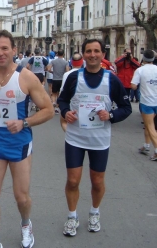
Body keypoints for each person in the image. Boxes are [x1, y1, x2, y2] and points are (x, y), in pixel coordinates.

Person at [0, 30, 54, 248]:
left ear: (14, 50)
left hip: (19, 145)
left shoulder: (26, 77)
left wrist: (24, 122)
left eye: (5, 48)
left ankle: (26, 224)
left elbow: (48, 110)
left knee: (21, 197)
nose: (0, 53)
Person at [57, 39, 131, 237]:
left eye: (96, 51)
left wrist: (111, 116)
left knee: (97, 182)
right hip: (75, 138)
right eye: (88, 51)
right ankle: (72, 216)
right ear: (83, 54)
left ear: (102, 55)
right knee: (73, 181)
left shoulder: (111, 79)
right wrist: (66, 112)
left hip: (100, 139)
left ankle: (94, 213)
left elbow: (126, 108)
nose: (92, 54)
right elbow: (62, 100)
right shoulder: (74, 77)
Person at [131, 49, 157, 160]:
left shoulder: (140, 70)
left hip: (147, 102)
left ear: (144, 58)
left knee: (151, 127)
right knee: (148, 125)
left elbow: (133, 86)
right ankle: (146, 146)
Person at [59, 52, 84, 132]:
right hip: (81, 102)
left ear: (72, 62)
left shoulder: (67, 74)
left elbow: (62, 89)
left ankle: (70, 135)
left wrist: (60, 101)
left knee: (63, 121)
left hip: (69, 102)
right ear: (82, 62)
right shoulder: (85, 73)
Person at [46, 49, 69, 114]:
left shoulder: (53, 61)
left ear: (57, 54)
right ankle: (58, 107)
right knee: (59, 93)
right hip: (62, 79)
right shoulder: (65, 62)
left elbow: (48, 68)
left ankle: (53, 103)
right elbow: (67, 71)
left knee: (54, 93)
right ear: (63, 54)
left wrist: (52, 72)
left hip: (55, 79)